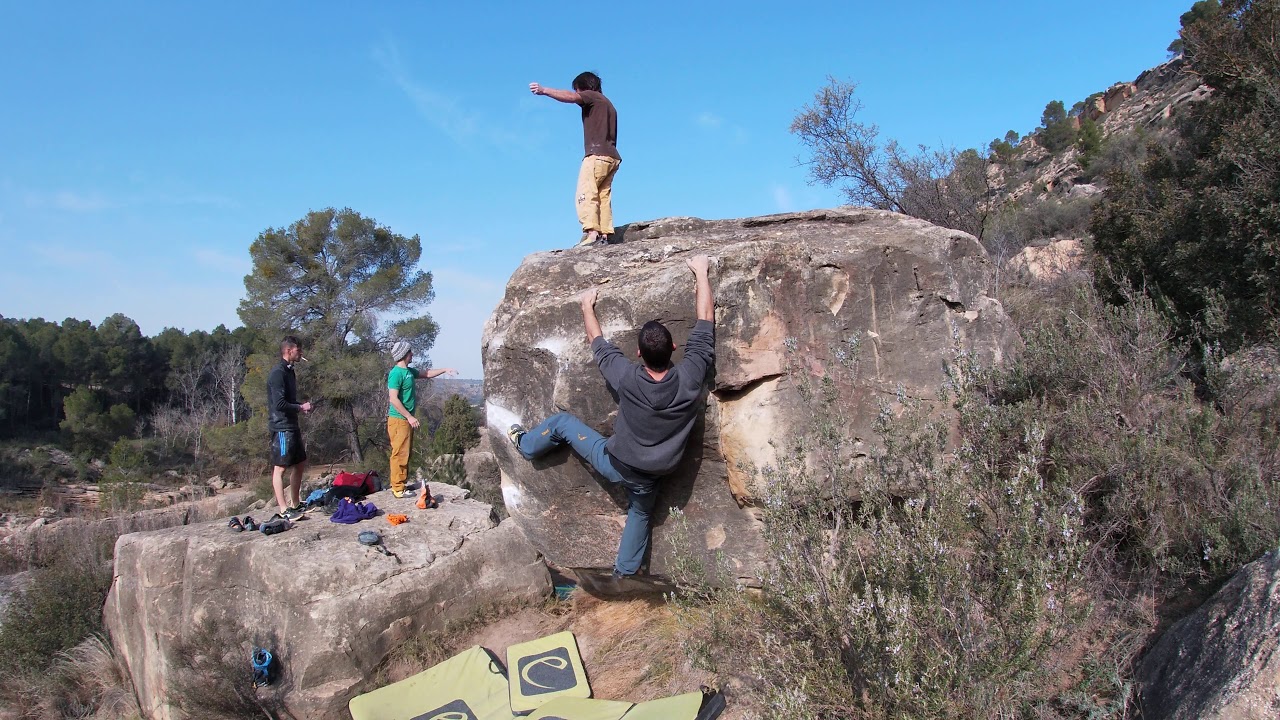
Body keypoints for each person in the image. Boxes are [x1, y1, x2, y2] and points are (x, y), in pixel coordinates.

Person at [508, 255, 715, 577]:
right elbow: (705, 322)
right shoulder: (690, 377)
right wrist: (701, 272)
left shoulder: (627, 377)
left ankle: (526, 445)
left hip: (616, 463)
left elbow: (598, 343)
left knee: (563, 423)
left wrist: (586, 306)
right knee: (640, 513)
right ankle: (624, 572)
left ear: (639, 353)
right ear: (674, 347)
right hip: (656, 472)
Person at [529, 71, 621, 247]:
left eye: (578, 90)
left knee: (586, 193)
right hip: (611, 157)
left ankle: (592, 234)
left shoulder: (592, 96)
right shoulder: (609, 105)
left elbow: (571, 97)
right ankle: (605, 234)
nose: (577, 94)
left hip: (596, 156)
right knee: (602, 196)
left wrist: (544, 90)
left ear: (584, 87)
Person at [387, 341, 456, 498]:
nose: (412, 354)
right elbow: (393, 399)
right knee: (399, 453)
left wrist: (445, 369)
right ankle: (398, 488)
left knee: (405, 452)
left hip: (404, 420)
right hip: (399, 420)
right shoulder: (396, 373)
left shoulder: (408, 371)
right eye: (410, 352)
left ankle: (401, 484)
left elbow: (426, 373)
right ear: (404, 354)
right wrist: (409, 416)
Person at [267, 336, 314, 521]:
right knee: (280, 467)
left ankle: (295, 503)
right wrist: (300, 407)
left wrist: (300, 406)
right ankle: (283, 509)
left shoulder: (289, 371)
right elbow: (279, 404)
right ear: (288, 351)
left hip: (292, 424)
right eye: (298, 350)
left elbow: (289, 401)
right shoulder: (277, 373)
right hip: (281, 427)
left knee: (300, 462)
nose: (300, 353)